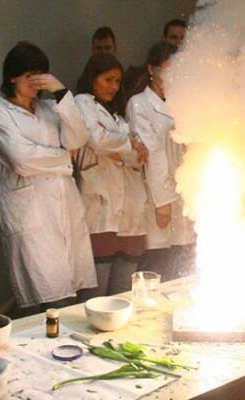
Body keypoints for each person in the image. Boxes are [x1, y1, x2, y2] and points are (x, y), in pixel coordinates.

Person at [0, 41, 94, 310]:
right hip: (31, 213)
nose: (36, 82)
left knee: (74, 295)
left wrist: (61, 92)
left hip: (64, 205)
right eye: (29, 75)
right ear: (13, 76)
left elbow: (78, 139)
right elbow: (21, 159)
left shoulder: (50, 108)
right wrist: (63, 158)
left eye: (40, 75)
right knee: (49, 297)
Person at [72, 53, 150, 300]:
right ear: (92, 78)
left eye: (117, 81)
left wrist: (122, 149)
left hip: (129, 212)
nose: (114, 86)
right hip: (99, 206)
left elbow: (140, 156)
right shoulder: (82, 103)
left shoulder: (118, 117)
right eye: (108, 80)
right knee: (96, 297)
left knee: (123, 297)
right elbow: (97, 139)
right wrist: (127, 145)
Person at [127, 42, 195, 281]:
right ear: (151, 69)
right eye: (165, 70)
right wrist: (162, 202)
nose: (170, 77)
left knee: (183, 257)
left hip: (184, 189)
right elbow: (152, 153)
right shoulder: (139, 104)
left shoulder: (183, 101)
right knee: (159, 259)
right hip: (157, 194)